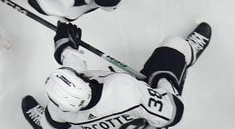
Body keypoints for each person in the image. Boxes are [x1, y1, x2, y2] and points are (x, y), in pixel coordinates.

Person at [21, 20, 212, 128]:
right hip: (146, 118)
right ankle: (187, 53)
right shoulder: (124, 91)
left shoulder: (60, 108)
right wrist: (161, 81)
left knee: (50, 124)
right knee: (174, 46)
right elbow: (174, 112)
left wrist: (65, 46)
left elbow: (73, 70)